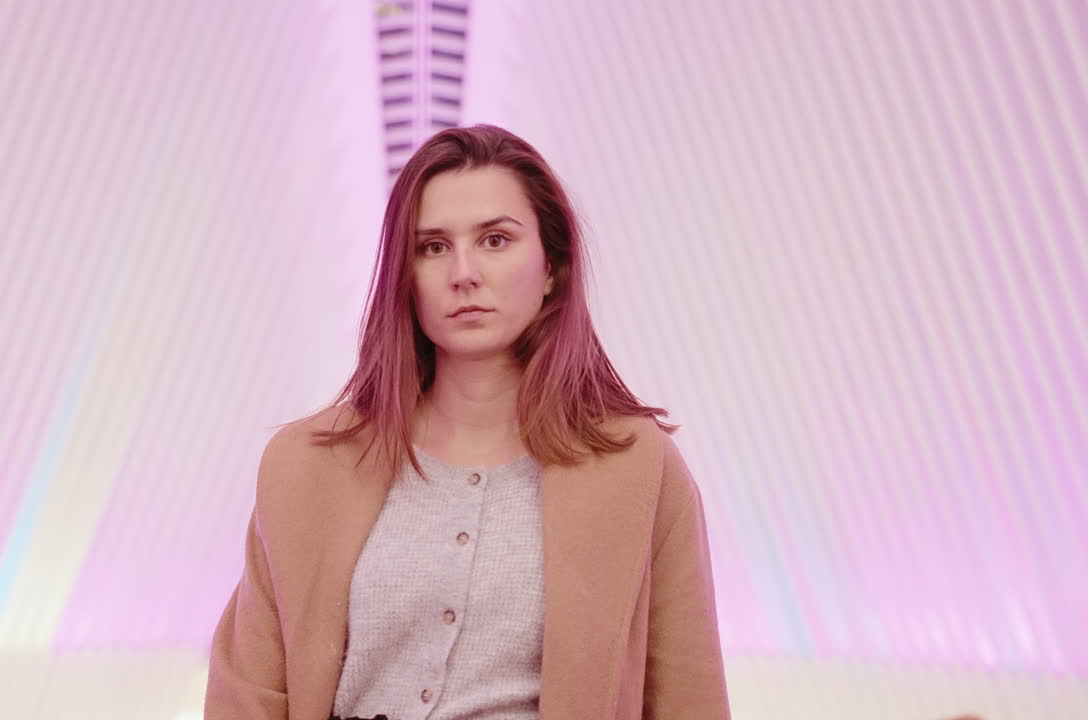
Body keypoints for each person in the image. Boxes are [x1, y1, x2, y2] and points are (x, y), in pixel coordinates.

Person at [204, 124, 730, 720]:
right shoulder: (304, 464)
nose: (464, 273)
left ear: (552, 265)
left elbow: (689, 697)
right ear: (405, 278)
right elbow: (246, 694)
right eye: (432, 247)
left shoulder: (637, 467)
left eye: (495, 240)